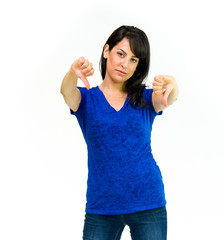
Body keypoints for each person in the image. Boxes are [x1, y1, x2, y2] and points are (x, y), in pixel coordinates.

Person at [60, 25, 179, 240]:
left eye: (134, 60)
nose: (125, 64)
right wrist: (72, 73)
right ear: (107, 52)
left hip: (148, 202)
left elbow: (167, 98)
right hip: (102, 207)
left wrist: (173, 85)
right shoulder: (88, 99)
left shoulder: (143, 98)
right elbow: (67, 92)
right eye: (121, 54)